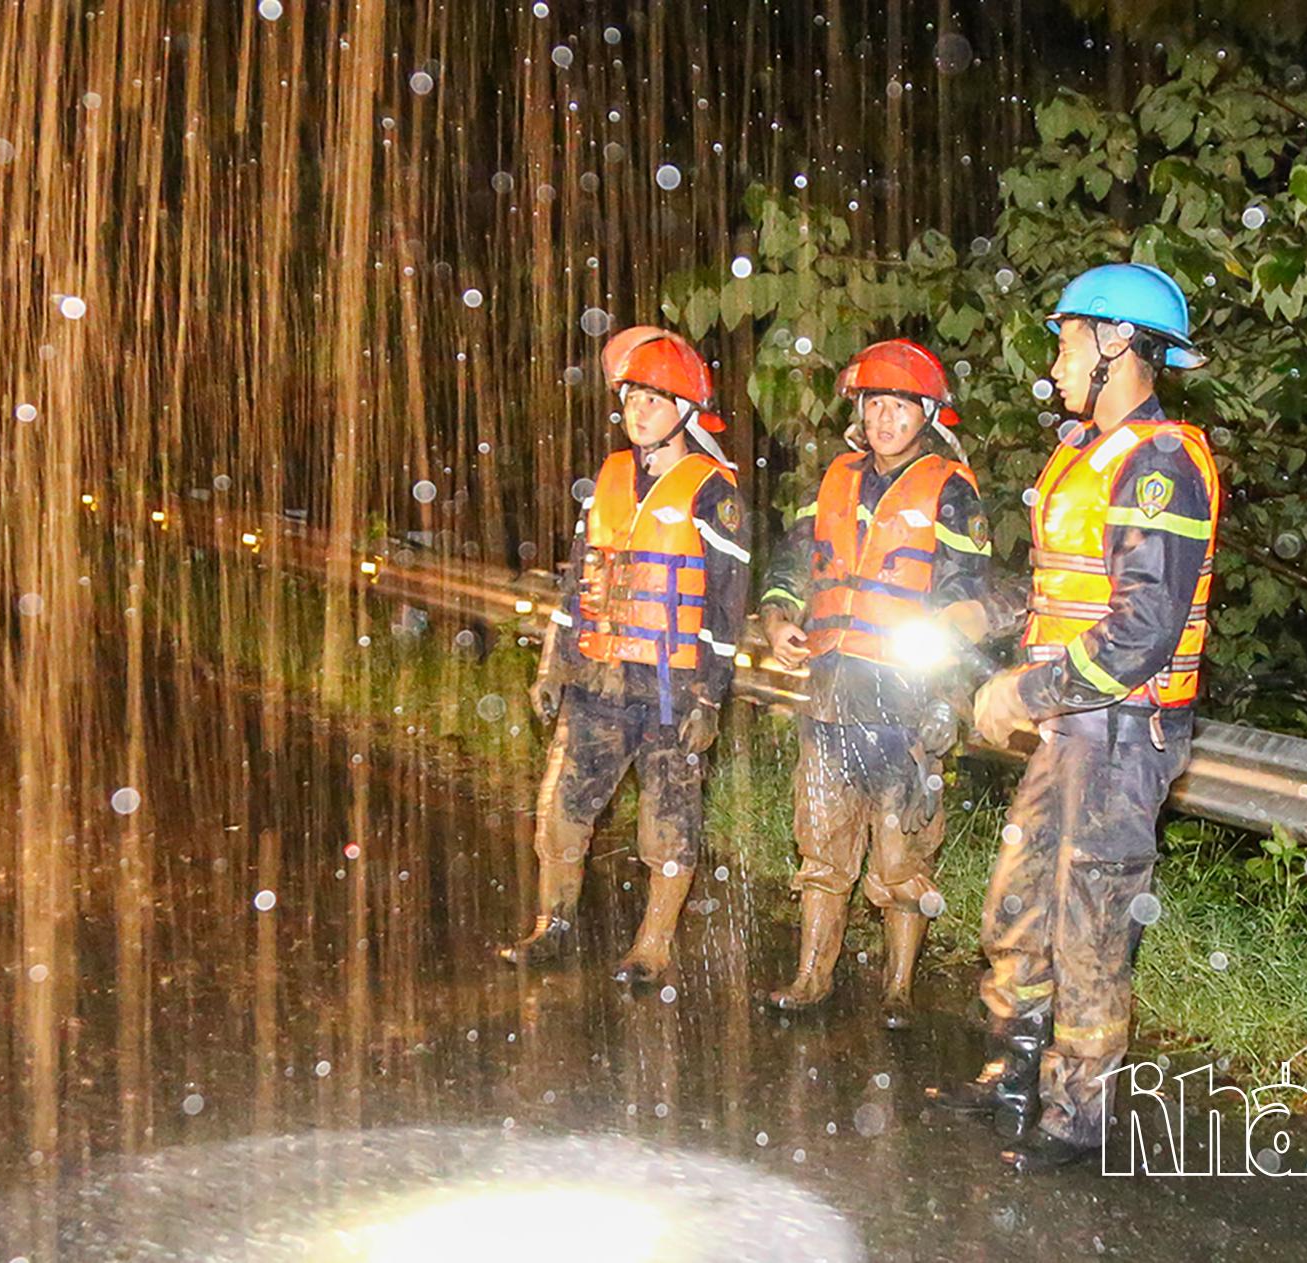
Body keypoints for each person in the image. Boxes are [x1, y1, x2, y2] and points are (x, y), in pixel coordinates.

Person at [936, 264, 1221, 1170]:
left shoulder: (1160, 464)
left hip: (1121, 738)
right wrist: (989, 610)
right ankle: (1011, 1071)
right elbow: (1072, 596)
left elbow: (1142, 629)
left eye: (1066, 339)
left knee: (1091, 921)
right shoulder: (1081, 453)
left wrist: (1023, 693)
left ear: (1115, 344)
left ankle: (1075, 1114)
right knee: (1018, 906)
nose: (1053, 360)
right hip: (1071, 730)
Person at [498, 325, 750, 985]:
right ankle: (550, 926)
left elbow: (726, 608)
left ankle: (653, 947)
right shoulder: (610, 476)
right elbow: (580, 573)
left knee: (669, 824)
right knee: (562, 811)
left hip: (671, 688)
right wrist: (555, 655)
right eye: (633, 397)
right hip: (598, 678)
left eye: (653, 401)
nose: (638, 411)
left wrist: (708, 696)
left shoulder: (714, 493)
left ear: (687, 412)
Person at [757, 339, 994, 1029]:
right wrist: (777, 616)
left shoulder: (951, 492)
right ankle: (811, 977)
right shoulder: (831, 480)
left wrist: (948, 698)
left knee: (902, 858)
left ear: (927, 414)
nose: (886, 418)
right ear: (859, 409)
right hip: (830, 694)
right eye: (876, 403)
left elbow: (967, 599)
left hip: (905, 705)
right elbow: (790, 563)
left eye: (901, 405)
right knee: (821, 845)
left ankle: (898, 990)